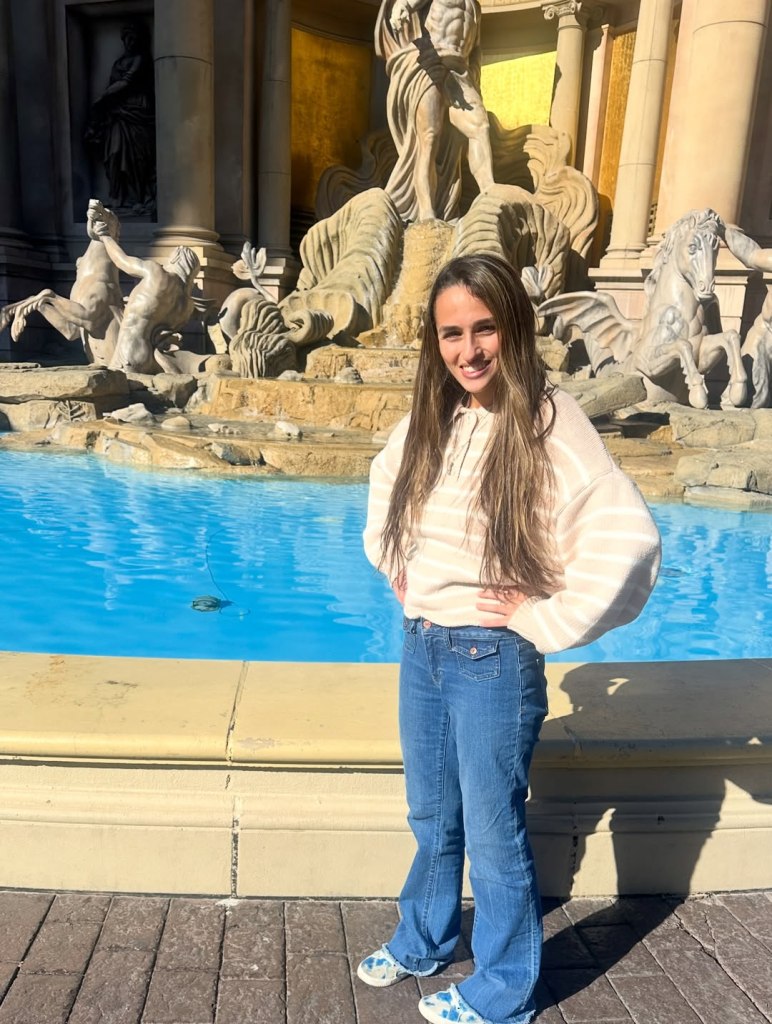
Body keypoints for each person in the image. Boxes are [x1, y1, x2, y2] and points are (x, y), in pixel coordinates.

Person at [358, 252, 661, 1024]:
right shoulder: (434, 415)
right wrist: (400, 570)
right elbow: (386, 486)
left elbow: (628, 537)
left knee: (493, 834)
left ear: (514, 328)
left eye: (484, 328)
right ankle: (424, 939)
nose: (468, 350)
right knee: (432, 816)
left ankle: (504, 991)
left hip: (490, 660)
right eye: (451, 333)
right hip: (424, 645)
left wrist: (537, 615)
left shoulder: (550, 420)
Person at [375, 0, 495, 222]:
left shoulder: (474, 6)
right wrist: (402, 7)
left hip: (460, 70)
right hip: (430, 63)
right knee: (429, 140)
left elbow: (476, 48)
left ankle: (489, 192)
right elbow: (405, 6)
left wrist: (474, 76)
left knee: (480, 127)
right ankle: (426, 213)